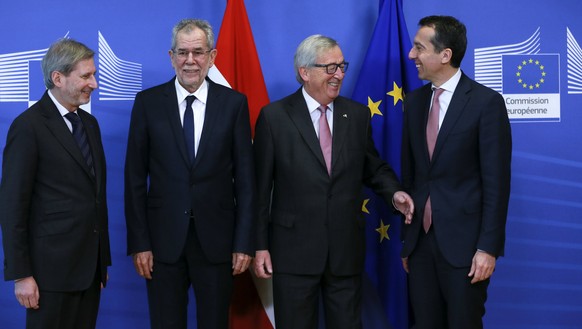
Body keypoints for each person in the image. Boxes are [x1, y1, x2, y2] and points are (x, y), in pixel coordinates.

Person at [253, 34, 414, 329]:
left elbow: (373, 168)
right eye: (330, 68)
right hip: (293, 254)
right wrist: (260, 246)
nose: (338, 75)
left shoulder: (356, 115)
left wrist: (395, 194)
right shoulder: (274, 118)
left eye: (342, 67)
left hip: (345, 253)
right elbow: (259, 189)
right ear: (305, 72)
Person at [124, 18, 255, 329]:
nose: (190, 61)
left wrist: (244, 242)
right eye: (182, 53)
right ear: (171, 57)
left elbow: (247, 182)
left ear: (212, 56)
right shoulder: (148, 103)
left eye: (198, 52)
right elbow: (133, 178)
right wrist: (140, 242)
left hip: (218, 242)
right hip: (161, 244)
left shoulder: (234, 104)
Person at [400, 15, 512, 329]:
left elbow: (496, 184)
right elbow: (411, 176)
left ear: (445, 55)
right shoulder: (414, 103)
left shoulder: (485, 103)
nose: (412, 55)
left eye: (419, 48)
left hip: (465, 249)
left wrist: (487, 248)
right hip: (420, 247)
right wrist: (408, 241)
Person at [0, 38, 111, 329]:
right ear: (58, 78)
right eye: (86, 76)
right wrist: (21, 275)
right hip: (48, 276)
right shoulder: (28, 127)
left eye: (94, 74)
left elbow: (96, 197)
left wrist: (101, 262)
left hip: (88, 271)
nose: (95, 84)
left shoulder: (90, 125)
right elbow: (13, 205)